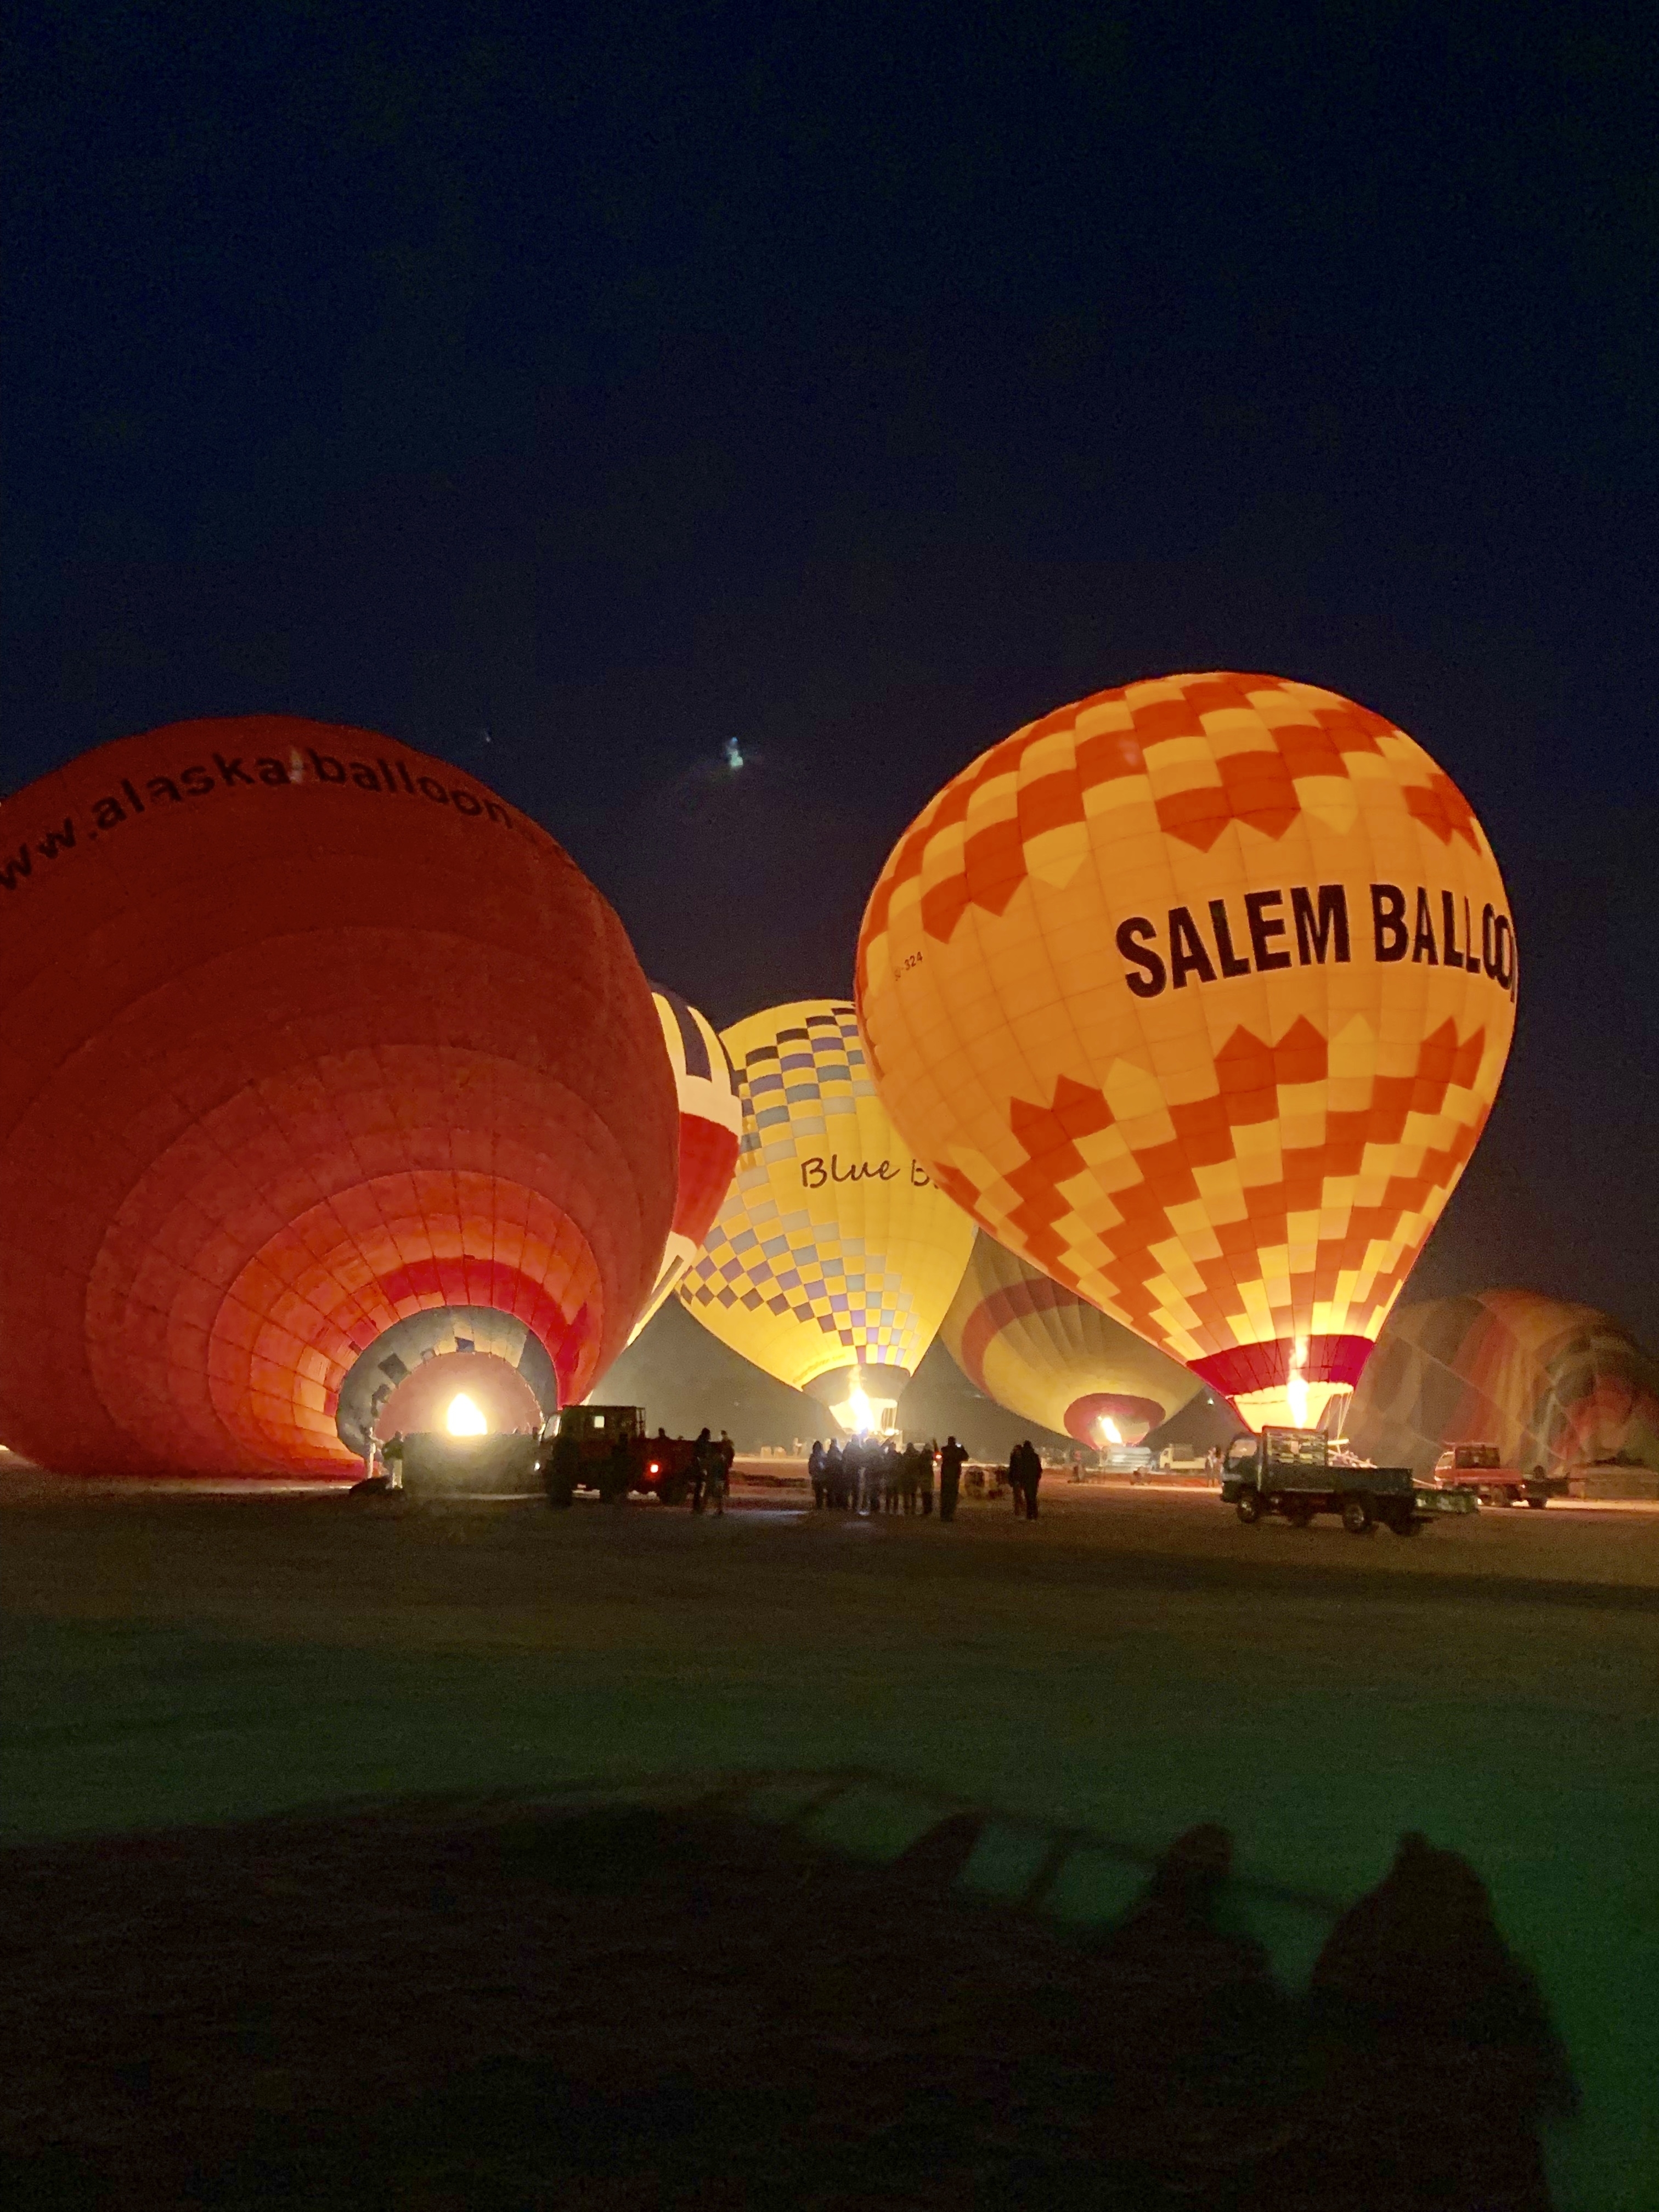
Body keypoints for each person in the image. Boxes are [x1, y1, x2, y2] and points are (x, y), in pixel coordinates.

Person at [939, 1436, 966, 1522]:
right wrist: (962, 1448)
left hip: (946, 1477)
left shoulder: (945, 1450)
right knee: (952, 1498)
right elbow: (965, 1457)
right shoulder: (957, 1451)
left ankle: (944, 1515)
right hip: (954, 1477)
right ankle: (950, 1515)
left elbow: (940, 1457)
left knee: (945, 1497)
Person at [690, 1426, 713, 1513]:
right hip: (700, 1468)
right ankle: (698, 1506)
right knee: (699, 1488)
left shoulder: (699, 1442)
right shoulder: (703, 1444)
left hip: (699, 1467)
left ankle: (697, 1506)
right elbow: (702, 1456)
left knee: (699, 1488)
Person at [1019, 1439, 1043, 1519]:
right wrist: (1037, 1477)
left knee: (1028, 1497)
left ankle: (1029, 1514)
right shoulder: (1035, 1456)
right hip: (1033, 1480)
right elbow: (1039, 1469)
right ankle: (1035, 1513)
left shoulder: (1023, 1457)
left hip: (1026, 1479)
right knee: (1033, 1496)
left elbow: (1021, 1469)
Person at [825, 1436, 845, 1509]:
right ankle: (838, 1505)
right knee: (837, 1490)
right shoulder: (837, 1452)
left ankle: (830, 1505)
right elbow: (841, 1461)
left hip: (830, 1474)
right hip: (837, 1474)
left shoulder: (829, 1452)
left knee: (831, 1490)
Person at [917, 1440, 935, 1516]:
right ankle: (928, 1509)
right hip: (927, 1476)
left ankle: (927, 1510)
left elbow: (920, 1463)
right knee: (927, 1494)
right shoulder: (928, 1456)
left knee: (926, 1494)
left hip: (925, 1476)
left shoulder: (925, 1456)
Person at [808, 1438, 827, 1508]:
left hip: (815, 1478)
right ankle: (821, 1505)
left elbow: (810, 1467)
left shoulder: (812, 1456)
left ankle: (819, 1505)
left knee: (817, 1493)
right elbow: (825, 1466)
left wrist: (812, 1473)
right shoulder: (824, 1456)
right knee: (821, 1493)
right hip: (822, 1477)